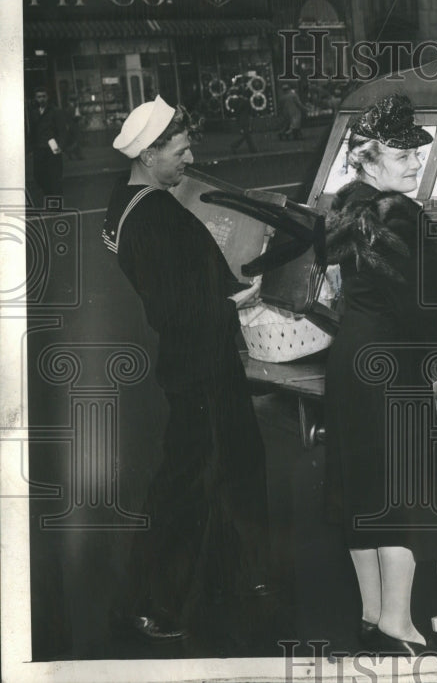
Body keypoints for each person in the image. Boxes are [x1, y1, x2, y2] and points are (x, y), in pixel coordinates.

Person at [101, 96, 270, 643]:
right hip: (196, 360)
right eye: (180, 149)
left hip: (199, 357)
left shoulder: (132, 201)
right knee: (189, 479)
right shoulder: (150, 215)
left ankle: (232, 576)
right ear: (149, 154)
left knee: (232, 460)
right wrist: (236, 304)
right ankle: (151, 603)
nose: (189, 158)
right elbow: (173, 307)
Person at [323, 93, 437, 656]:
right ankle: (398, 624)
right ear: (369, 159)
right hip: (392, 368)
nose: (416, 162)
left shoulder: (349, 207)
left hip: (350, 362)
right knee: (398, 493)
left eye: (418, 152)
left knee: (361, 490)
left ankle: (371, 616)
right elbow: (420, 311)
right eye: (402, 154)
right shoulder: (405, 216)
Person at [26, 86, 66, 198]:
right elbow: (32, 131)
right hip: (39, 148)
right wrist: (30, 147)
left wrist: (60, 146)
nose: (41, 99)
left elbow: (62, 130)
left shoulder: (55, 111)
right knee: (38, 176)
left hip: (53, 149)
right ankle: (49, 194)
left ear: (47, 97)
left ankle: (56, 202)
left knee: (55, 176)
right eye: (39, 97)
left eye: (43, 96)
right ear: (35, 98)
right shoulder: (33, 113)